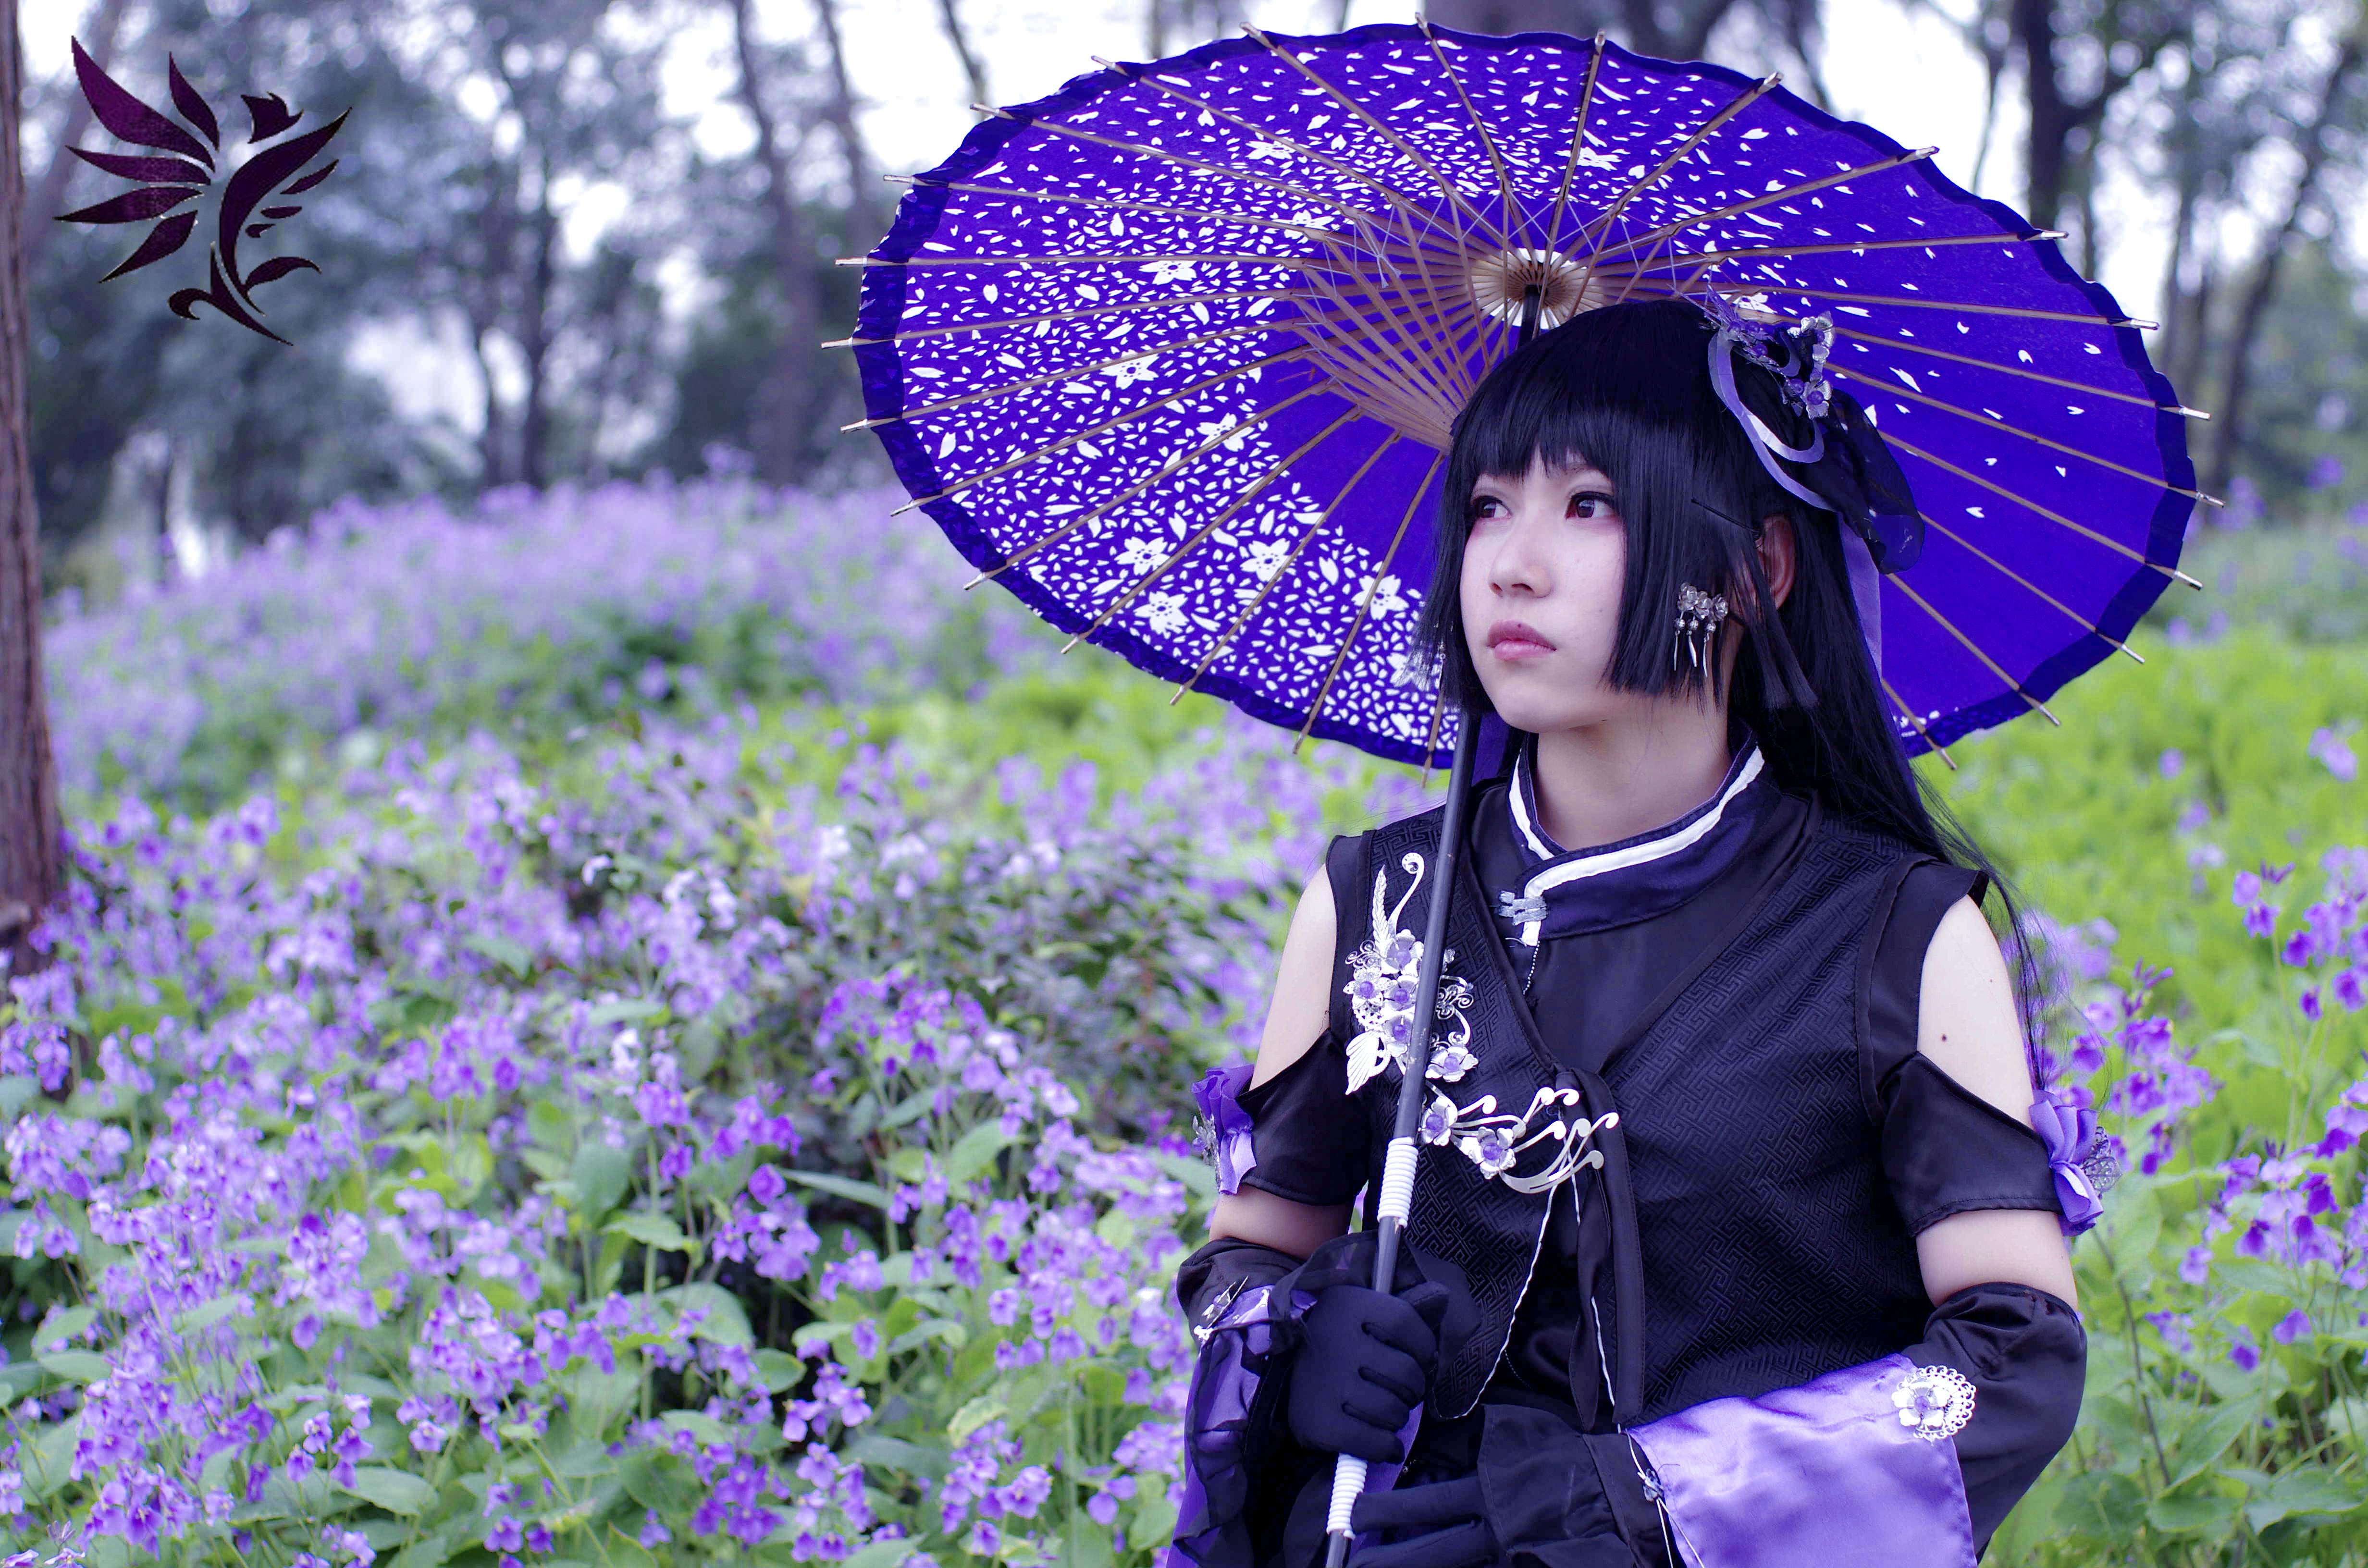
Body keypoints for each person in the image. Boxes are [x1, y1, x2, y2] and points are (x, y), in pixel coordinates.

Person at [1168, 298, 2109, 1568]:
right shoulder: (1375, 900)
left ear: (1755, 570)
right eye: (1487, 505)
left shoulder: (1900, 937)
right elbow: (1243, 1260)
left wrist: (1643, 1502)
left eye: (1590, 505)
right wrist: (1292, 1338)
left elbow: (2014, 1361)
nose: (1511, 564)